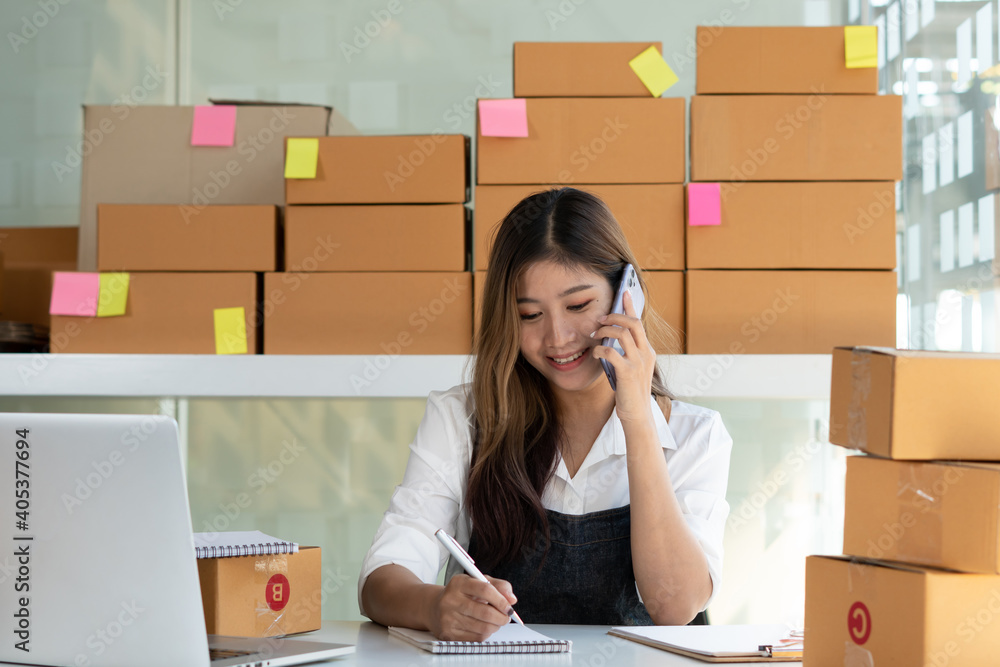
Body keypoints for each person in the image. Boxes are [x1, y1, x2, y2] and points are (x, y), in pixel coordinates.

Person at [358, 187, 732, 641]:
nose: (558, 337)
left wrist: (636, 417)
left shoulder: (695, 434)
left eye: (578, 306)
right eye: (530, 314)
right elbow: (380, 581)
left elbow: (674, 606)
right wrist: (434, 605)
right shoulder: (462, 418)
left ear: (626, 295)